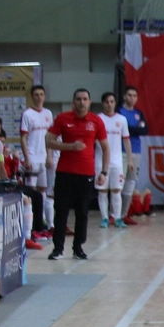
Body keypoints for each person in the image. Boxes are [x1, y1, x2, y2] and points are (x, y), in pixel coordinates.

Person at [46, 89, 109, 261]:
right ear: (73, 102)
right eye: (79, 99)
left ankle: (78, 248)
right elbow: (49, 141)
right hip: (65, 172)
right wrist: (70, 147)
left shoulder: (96, 121)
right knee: (61, 211)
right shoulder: (63, 118)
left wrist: (104, 171)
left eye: (85, 99)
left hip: (86, 173)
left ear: (90, 102)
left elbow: (105, 147)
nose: (82, 102)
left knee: (82, 212)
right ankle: (58, 249)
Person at [20, 84, 56, 233]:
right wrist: (27, 158)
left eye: (41, 94)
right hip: (32, 158)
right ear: (32, 96)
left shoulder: (48, 113)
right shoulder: (27, 114)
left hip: (44, 158)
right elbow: (23, 138)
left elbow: (50, 137)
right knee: (31, 191)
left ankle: (42, 221)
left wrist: (49, 155)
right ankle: (32, 224)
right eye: (36, 94)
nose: (39, 97)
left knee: (43, 190)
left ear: (45, 96)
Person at [95, 92, 132, 229]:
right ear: (102, 103)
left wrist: (130, 159)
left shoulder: (122, 119)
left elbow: (126, 140)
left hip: (117, 161)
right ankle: (105, 218)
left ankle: (117, 218)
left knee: (116, 190)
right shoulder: (97, 119)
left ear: (115, 103)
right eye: (106, 102)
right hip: (100, 161)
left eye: (112, 101)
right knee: (102, 190)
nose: (109, 104)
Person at [118, 85, 151, 219]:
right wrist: (133, 129)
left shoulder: (139, 113)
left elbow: (144, 130)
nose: (132, 98)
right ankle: (115, 213)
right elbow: (120, 129)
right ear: (124, 96)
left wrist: (129, 128)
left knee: (131, 182)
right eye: (129, 95)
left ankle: (124, 214)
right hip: (120, 151)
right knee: (118, 183)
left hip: (136, 151)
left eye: (134, 96)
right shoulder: (119, 111)